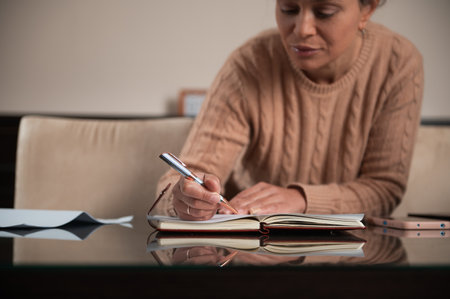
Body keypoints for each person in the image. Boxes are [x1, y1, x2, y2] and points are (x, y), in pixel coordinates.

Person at [155, 0, 424, 220]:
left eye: (324, 12)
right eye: (288, 9)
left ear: (367, 10)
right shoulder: (250, 63)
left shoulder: (397, 63)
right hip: (251, 259)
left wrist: (302, 200)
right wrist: (184, 199)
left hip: (356, 263)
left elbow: (384, 189)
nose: (302, 29)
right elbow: (187, 174)